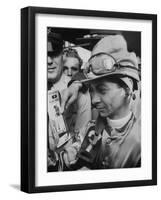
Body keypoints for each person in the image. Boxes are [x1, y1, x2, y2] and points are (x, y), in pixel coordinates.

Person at [61, 35, 141, 169]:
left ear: (127, 89)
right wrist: (62, 158)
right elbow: (73, 153)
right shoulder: (90, 129)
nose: (94, 100)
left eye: (102, 90)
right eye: (91, 90)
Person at [47, 31, 91, 171]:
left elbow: (83, 141)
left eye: (54, 54)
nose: (48, 60)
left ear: (61, 55)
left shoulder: (78, 92)